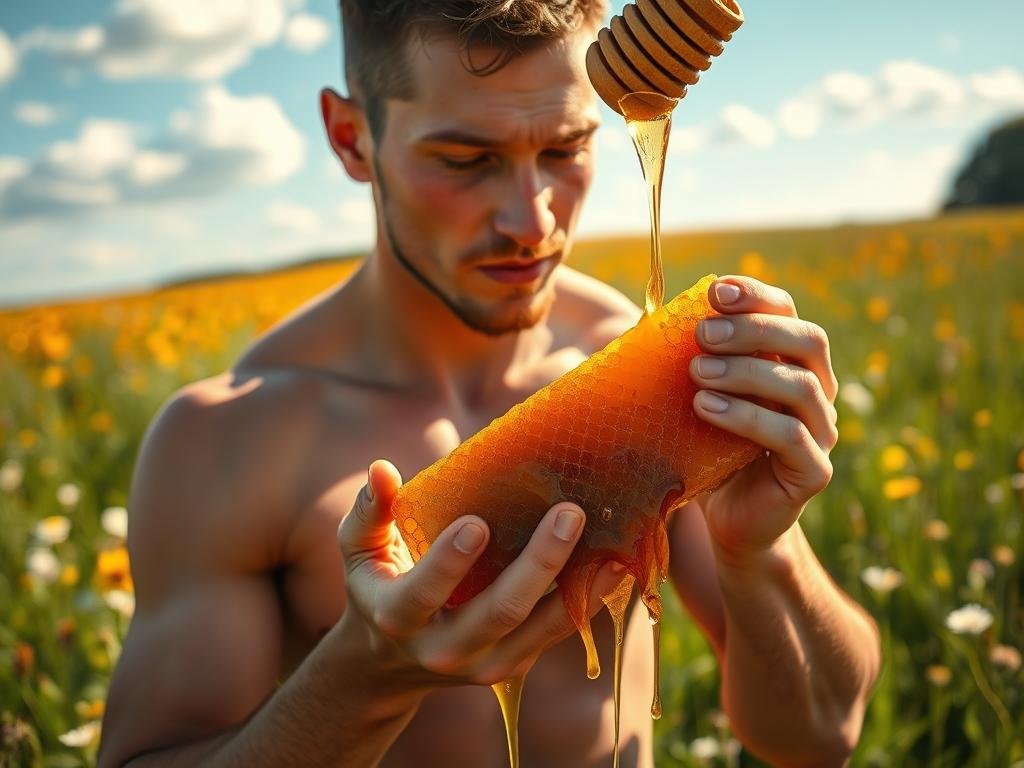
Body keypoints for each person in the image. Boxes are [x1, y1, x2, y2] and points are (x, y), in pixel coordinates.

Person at [98, 1, 881, 766]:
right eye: (466, 160)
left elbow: (818, 741)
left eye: (567, 149)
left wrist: (759, 553)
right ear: (351, 137)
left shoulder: (644, 365)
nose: (533, 221)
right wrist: (366, 675)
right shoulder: (229, 439)